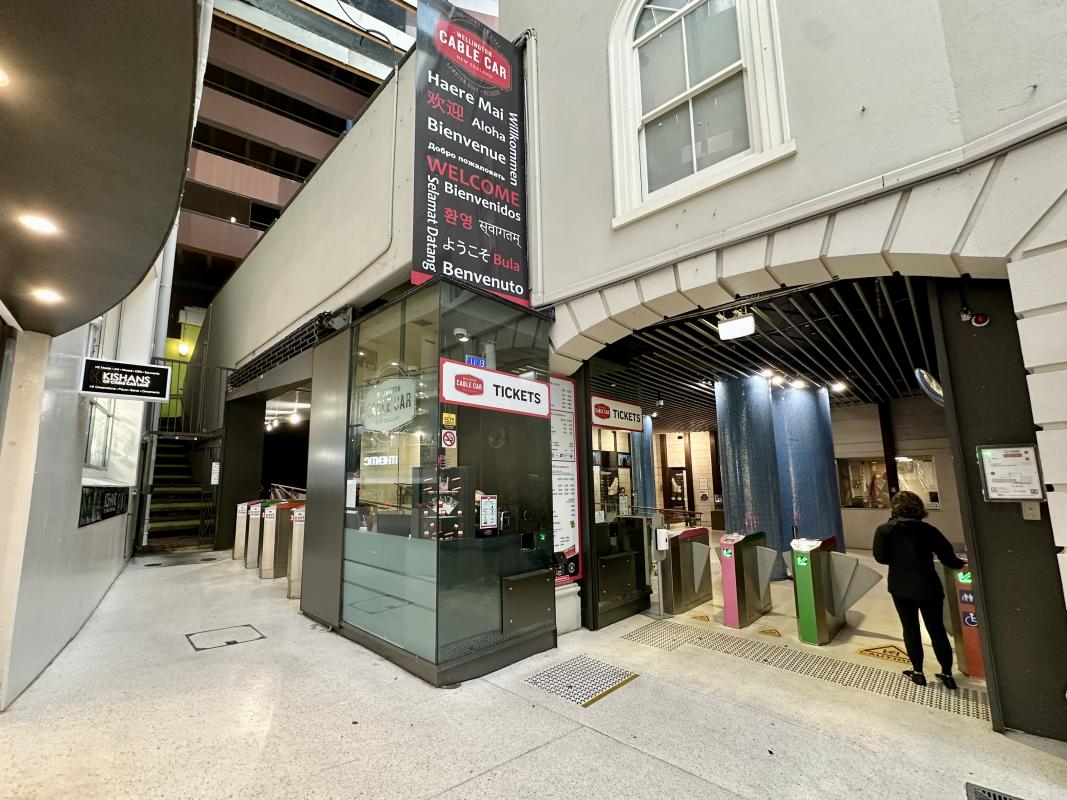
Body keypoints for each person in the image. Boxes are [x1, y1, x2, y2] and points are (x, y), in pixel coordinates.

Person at [873, 490, 967, 690]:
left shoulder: (885, 530)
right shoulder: (929, 530)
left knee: (910, 629)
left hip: (901, 587)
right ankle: (947, 674)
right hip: (928, 586)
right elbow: (948, 557)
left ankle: (917, 672)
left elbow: (881, 558)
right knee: (937, 630)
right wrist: (963, 565)